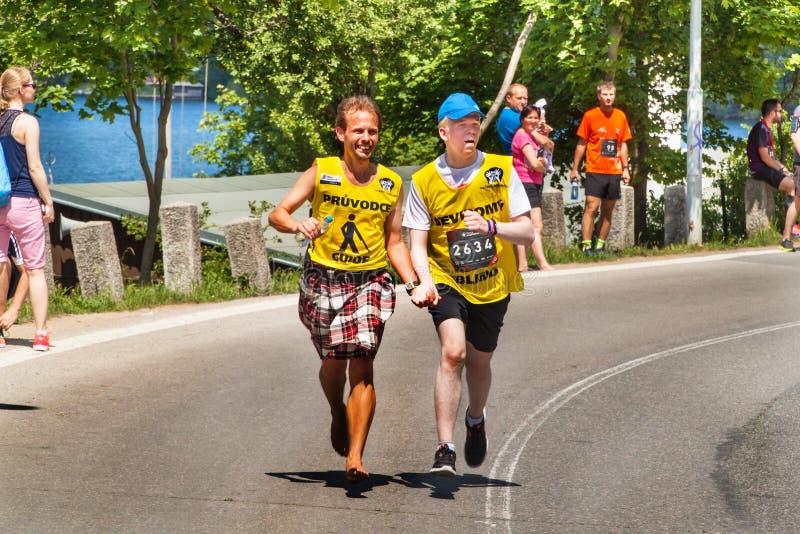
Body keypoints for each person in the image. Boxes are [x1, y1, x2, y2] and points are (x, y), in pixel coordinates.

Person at [267, 95, 434, 483]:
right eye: (358, 130)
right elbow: (278, 213)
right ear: (341, 132)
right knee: (333, 362)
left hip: (370, 280)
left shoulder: (391, 182)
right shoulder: (322, 171)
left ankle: (356, 456)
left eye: (372, 131)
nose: (366, 137)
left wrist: (413, 283)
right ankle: (336, 410)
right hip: (324, 278)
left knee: (362, 361)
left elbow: (395, 242)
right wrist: (298, 226)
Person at [403, 93, 534, 476]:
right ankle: (444, 448)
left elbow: (528, 231)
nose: (471, 129)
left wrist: (491, 227)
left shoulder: (500, 169)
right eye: (462, 123)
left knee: (479, 362)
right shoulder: (425, 181)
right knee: (454, 353)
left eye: (476, 122)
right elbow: (417, 244)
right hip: (446, 280)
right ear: (444, 131)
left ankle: (475, 419)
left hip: (492, 283)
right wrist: (423, 282)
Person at [0, 67, 54, 351]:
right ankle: (41, 334)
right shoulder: (27, 123)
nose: (35, 88)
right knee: (34, 270)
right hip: (23, 201)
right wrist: (48, 200)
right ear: (20, 90)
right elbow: (34, 167)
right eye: (32, 84)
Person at [569, 81, 632, 255]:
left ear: (614, 96)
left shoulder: (620, 116)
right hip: (594, 168)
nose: (608, 97)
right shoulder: (590, 116)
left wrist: (626, 168)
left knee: (608, 209)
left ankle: (600, 245)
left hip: (614, 170)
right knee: (591, 206)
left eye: (611, 94)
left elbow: (623, 144)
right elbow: (582, 143)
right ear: (599, 96)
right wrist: (575, 168)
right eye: (605, 94)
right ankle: (587, 245)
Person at [746, 98, 796, 251]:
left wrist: (783, 168)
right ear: (772, 112)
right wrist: (780, 170)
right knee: (794, 187)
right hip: (760, 169)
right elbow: (765, 158)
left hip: (766, 167)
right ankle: (791, 229)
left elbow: (771, 158)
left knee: (794, 181)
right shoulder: (761, 129)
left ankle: (792, 227)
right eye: (780, 111)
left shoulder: (765, 129)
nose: (781, 114)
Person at [511, 104, 552, 271]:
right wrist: (544, 167)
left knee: (526, 225)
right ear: (522, 119)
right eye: (530, 117)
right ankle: (542, 263)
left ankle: (522, 264)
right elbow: (534, 163)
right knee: (535, 225)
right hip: (525, 181)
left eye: (536, 117)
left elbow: (548, 146)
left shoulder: (531, 136)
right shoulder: (522, 136)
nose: (533, 121)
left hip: (532, 181)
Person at [496, 83, 554, 157]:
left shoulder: (512, 114)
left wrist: (544, 131)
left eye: (525, 98)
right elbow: (546, 144)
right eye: (519, 98)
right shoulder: (512, 118)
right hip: (521, 164)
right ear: (508, 98)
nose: (523, 102)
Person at [0, 233, 30, 347]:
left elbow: (28, 271)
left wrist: (14, 309)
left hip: (8, 280)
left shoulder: (7, 230)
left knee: (3, 261)